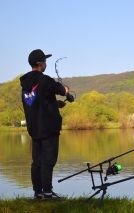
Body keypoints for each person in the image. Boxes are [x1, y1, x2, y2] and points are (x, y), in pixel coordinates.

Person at [20, 49, 69, 200]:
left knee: (37, 162)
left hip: (34, 128)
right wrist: (65, 89)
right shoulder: (45, 80)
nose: (46, 64)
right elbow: (62, 90)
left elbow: (37, 102)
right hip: (48, 128)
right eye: (45, 61)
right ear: (41, 63)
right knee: (48, 161)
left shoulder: (26, 84)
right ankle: (47, 194)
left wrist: (55, 104)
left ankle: (38, 193)